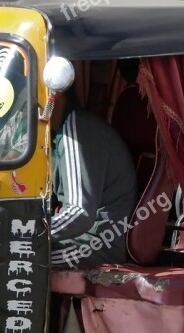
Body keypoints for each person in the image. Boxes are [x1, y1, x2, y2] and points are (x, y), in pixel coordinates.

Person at [48, 89, 138, 267]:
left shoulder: (76, 129)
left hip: (98, 243)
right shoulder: (61, 131)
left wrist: (31, 232)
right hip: (85, 238)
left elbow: (79, 213)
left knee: (21, 258)